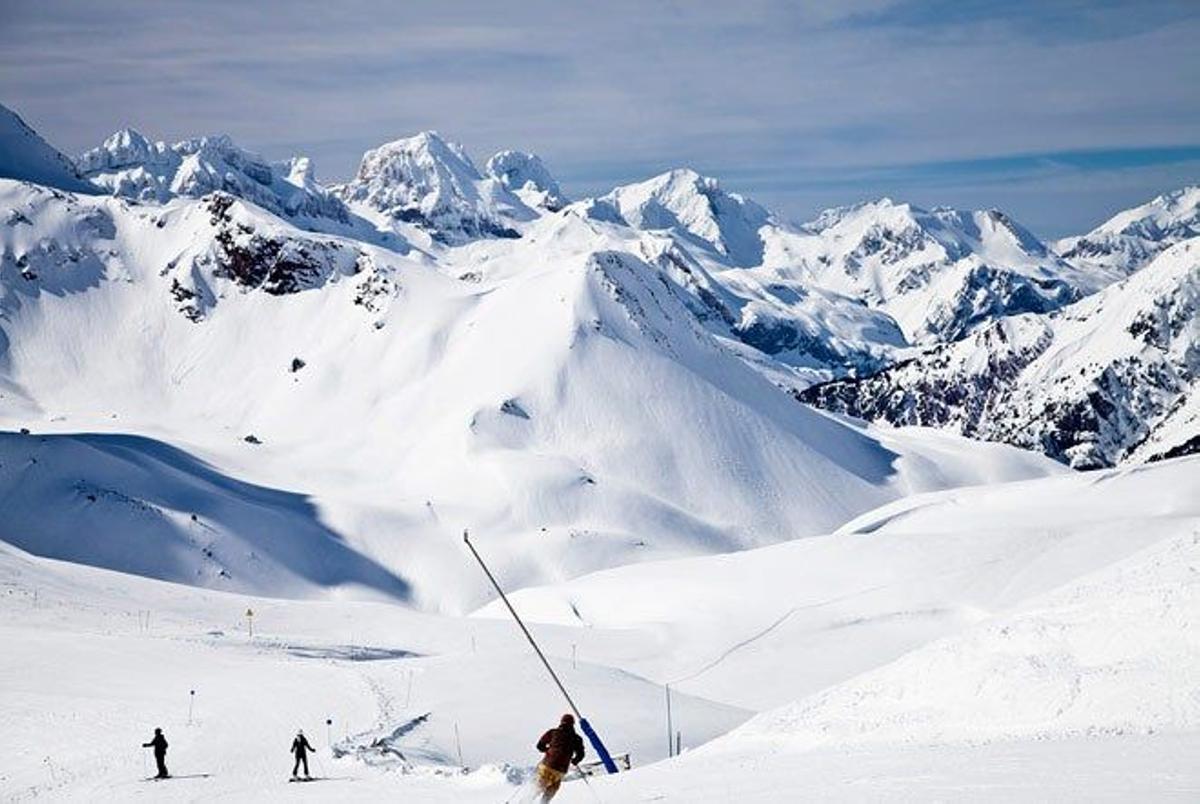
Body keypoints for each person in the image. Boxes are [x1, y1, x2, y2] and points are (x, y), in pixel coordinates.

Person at [534, 713, 585, 801]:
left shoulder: (553, 732)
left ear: (561, 722)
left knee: (536, 790)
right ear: (573, 724)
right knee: (549, 793)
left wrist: (547, 750)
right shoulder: (577, 738)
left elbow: (539, 746)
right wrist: (575, 761)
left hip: (547, 765)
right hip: (560, 770)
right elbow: (581, 754)